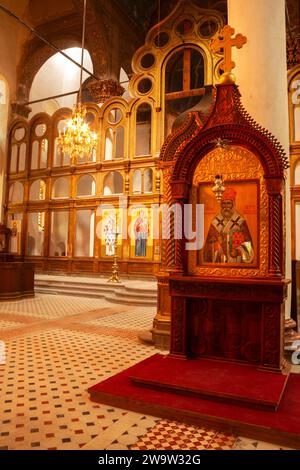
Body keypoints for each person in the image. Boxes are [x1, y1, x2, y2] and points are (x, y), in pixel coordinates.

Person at [203, 187, 254, 264]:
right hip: (220, 263)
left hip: (237, 263)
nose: (226, 206)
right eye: (224, 203)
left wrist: (238, 252)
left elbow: (248, 246)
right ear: (221, 205)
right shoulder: (215, 223)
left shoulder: (240, 222)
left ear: (233, 204)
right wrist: (217, 245)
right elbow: (208, 247)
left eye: (228, 203)